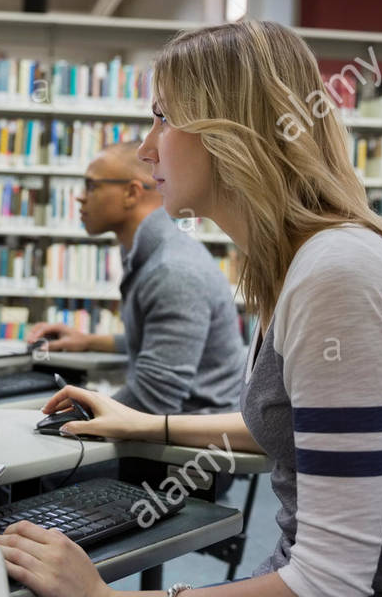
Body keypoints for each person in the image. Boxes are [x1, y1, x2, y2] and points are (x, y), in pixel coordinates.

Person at [0, 20, 382, 597]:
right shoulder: (299, 262)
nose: (148, 148)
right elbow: (302, 427)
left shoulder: (336, 274)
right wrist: (146, 426)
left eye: (162, 118)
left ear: (228, 131)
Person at [26, 141, 244, 416]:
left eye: (91, 186)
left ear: (131, 193)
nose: (80, 197)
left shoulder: (172, 272)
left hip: (192, 440)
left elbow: (152, 400)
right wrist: (88, 341)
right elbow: (157, 343)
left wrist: (65, 417)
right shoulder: (152, 253)